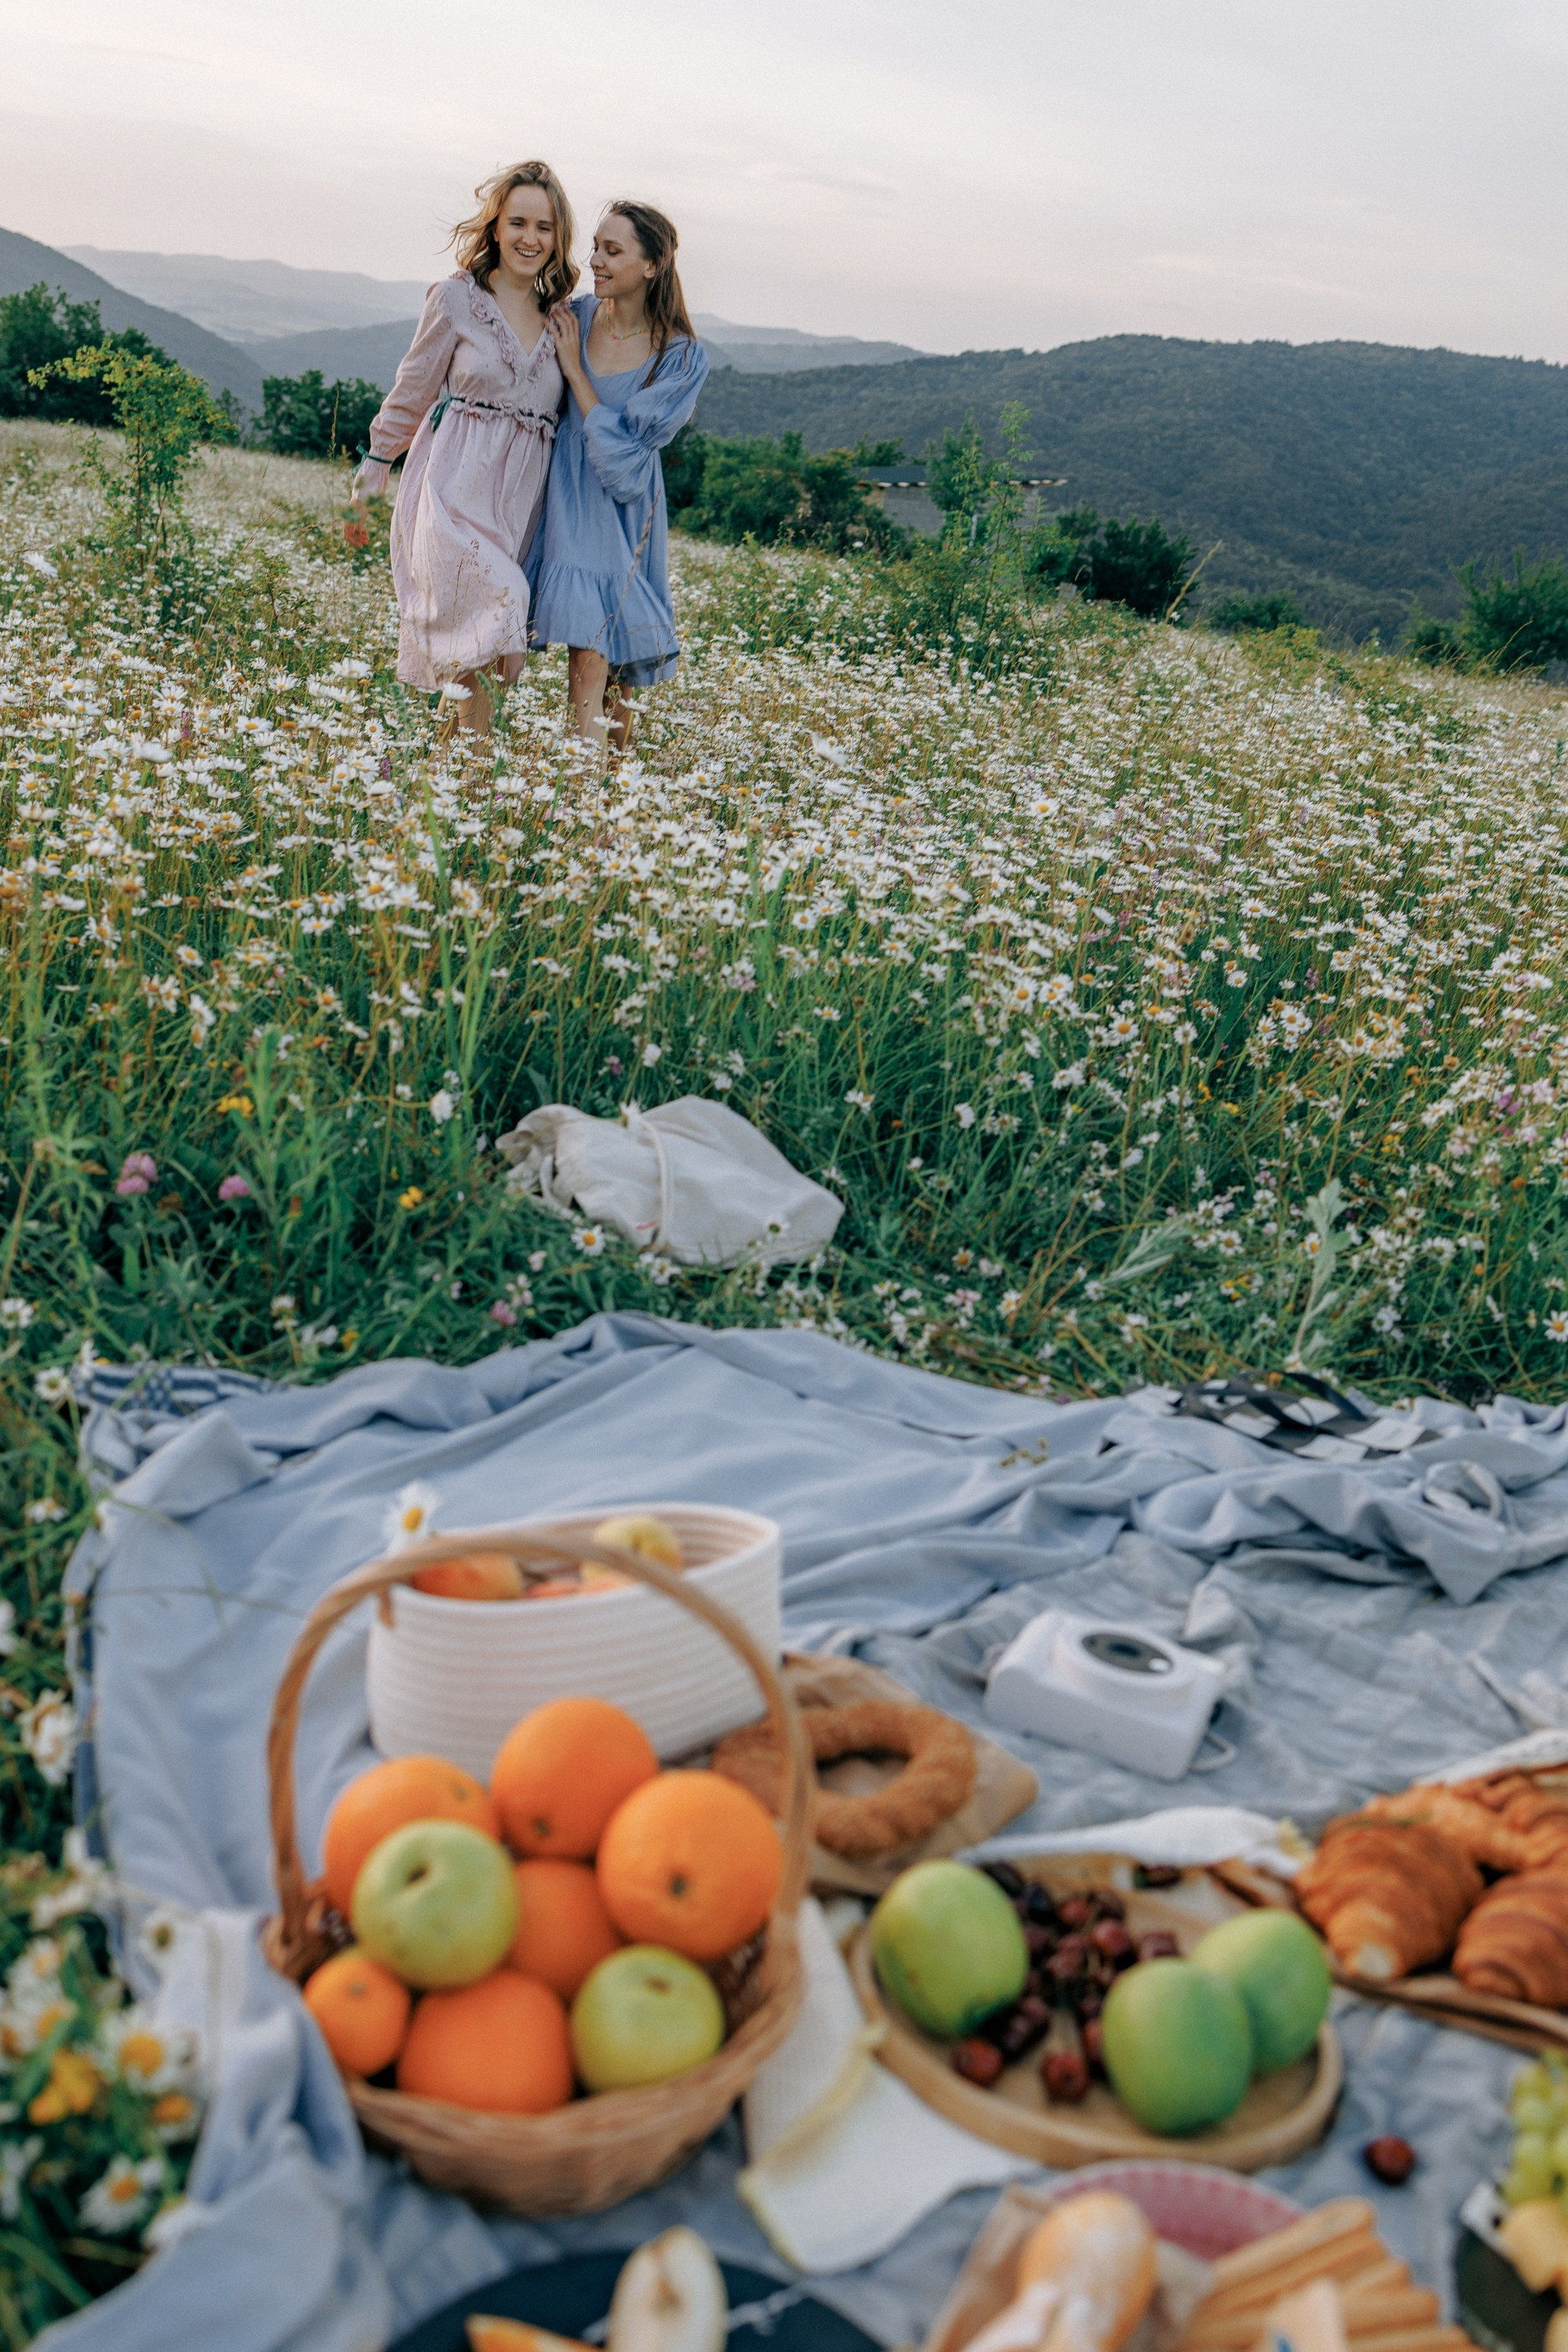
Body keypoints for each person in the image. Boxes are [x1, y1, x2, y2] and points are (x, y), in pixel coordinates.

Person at [351, 162, 574, 735]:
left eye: (545, 227)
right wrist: (374, 468)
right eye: (518, 222)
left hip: (518, 507)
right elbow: (414, 385)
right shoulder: (456, 299)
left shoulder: (562, 319)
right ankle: (471, 783)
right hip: (451, 491)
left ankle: (451, 775)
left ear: (559, 237)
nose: (531, 238)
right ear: (495, 227)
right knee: (504, 597)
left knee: (493, 653)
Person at [532, 201, 710, 756]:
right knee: (586, 652)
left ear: (652, 265)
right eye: (596, 247)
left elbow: (626, 466)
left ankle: (606, 803)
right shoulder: (575, 318)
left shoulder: (680, 357)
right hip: (563, 498)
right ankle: (584, 807)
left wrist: (575, 373)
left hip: (622, 512)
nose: (595, 261)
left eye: (613, 251)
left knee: (617, 676)